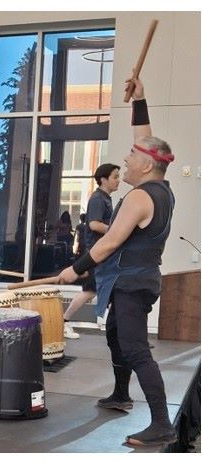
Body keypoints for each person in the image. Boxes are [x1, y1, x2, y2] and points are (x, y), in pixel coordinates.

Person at [58, 77, 176, 447]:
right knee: (115, 337)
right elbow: (148, 141)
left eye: (131, 156)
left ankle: (162, 423)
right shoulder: (159, 187)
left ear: (145, 165)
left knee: (137, 349)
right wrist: (140, 101)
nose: (125, 159)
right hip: (134, 280)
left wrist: (74, 270)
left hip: (131, 283)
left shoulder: (141, 197)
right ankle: (121, 394)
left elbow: (108, 242)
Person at [63, 163, 120, 339]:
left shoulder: (106, 198)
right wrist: (117, 231)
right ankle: (63, 322)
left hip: (102, 254)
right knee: (90, 291)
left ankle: (116, 327)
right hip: (95, 254)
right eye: (115, 177)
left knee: (103, 289)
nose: (118, 181)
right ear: (103, 180)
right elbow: (94, 224)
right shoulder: (98, 199)